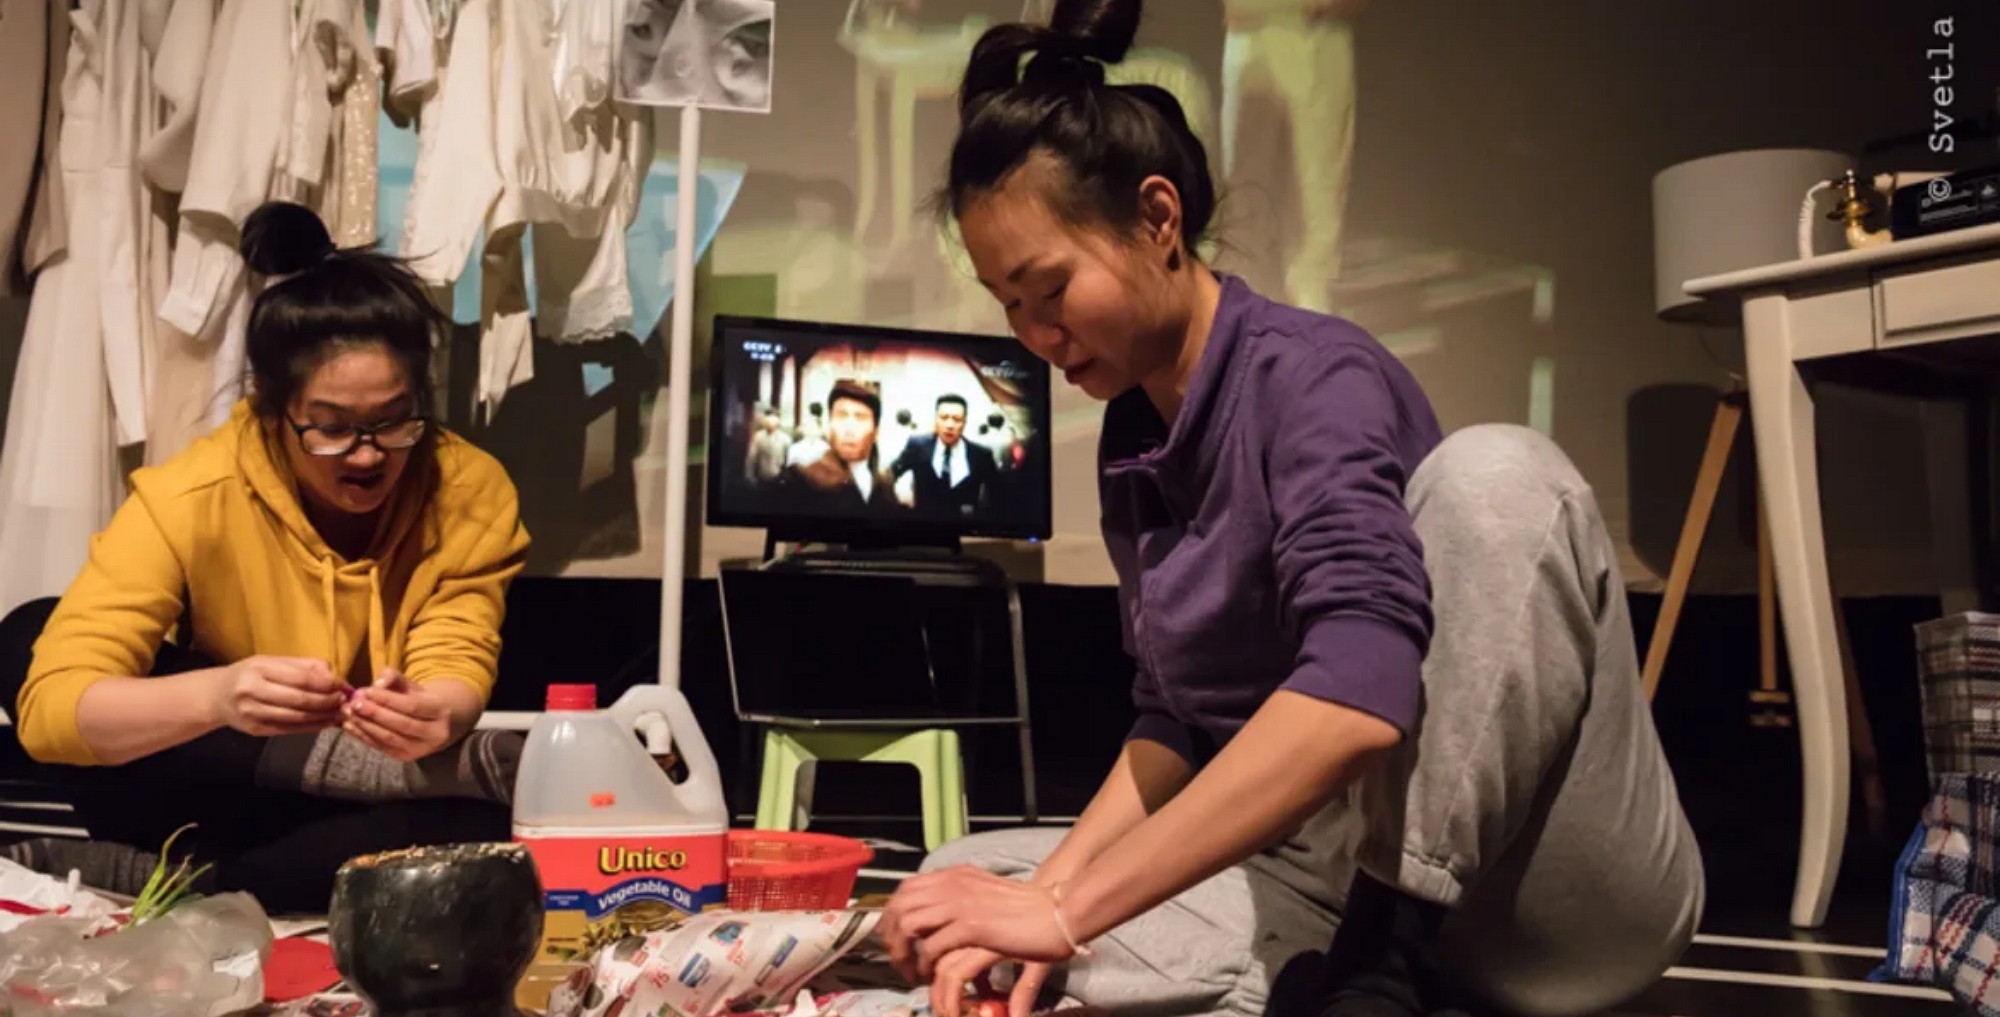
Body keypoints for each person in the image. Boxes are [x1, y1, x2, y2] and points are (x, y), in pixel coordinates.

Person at [878, 3, 1703, 1017]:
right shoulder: (1136, 435)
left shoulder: (1316, 379)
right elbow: (1174, 720)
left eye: (1046, 289)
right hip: (1322, 870)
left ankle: (1377, 972)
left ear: (1157, 218)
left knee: (1497, 475)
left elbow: (1358, 694)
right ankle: (1326, 974)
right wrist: (1042, 899)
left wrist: (1064, 914)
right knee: (955, 890)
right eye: (1008, 305)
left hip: (1532, 895)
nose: (1034, 334)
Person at [0, 202, 531, 914]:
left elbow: (456, 644)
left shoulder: (465, 485)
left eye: (394, 421)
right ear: (271, 409)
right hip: (216, 786)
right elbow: (49, 713)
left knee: (487, 833)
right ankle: (272, 836)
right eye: (332, 429)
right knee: (29, 634)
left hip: (344, 809)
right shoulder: (192, 493)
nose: (368, 455)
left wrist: (442, 710)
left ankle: (180, 881)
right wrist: (219, 697)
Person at [773, 379, 904, 516]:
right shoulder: (804, 480)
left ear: (876, 431)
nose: (849, 428)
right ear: (829, 424)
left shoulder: (883, 479)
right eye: (841, 416)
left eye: (860, 418)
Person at [890, 394, 1000, 518]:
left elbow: (998, 494)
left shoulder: (980, 455)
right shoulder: (918, 446)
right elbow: (891, 474)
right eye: (944, 418)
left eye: (957, 419)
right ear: (936, 419)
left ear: (965, 422)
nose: (950, 425)